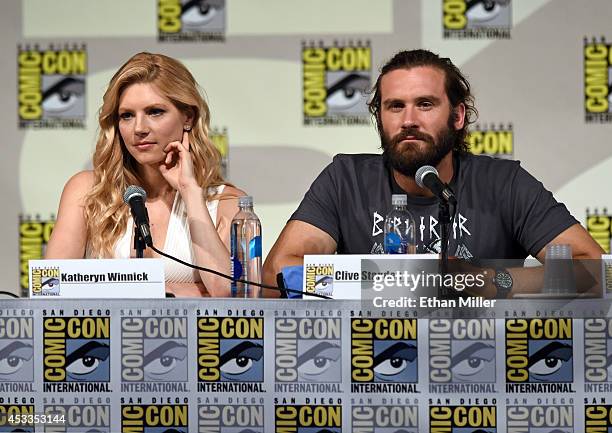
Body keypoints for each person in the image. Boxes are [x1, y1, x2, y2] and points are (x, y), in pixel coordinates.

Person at [263, 49, 603, 298]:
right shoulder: (345, 179)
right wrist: (384, 280)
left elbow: (593, 269)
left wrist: (488, 280)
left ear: (457, 116)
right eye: (395, 106)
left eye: (425, 104)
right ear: (379, 117)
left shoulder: (503, 183)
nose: (408, 119)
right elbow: (277, 273)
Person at [45, 52, 244, 297]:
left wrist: (191, 193)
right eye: (127, 115)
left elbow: (232, 295)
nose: (139, 128)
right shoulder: (87, 190)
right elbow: (50, 287)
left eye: (155, 112)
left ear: (188, 117)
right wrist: (177, 290)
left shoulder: (227, 203)